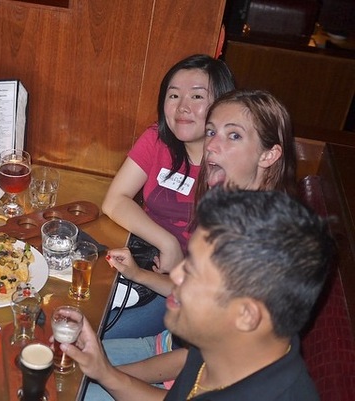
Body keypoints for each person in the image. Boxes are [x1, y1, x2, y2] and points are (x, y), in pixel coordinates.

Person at [88, 89, 300, 400]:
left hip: (182, 380)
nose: (212, 145)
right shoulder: (231, 214)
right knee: (56, 361)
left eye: (234, 136)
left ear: (269, 155)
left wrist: (107, 376)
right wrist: (140, 275)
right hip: (165, 347)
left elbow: (195, 367)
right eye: (212, 132)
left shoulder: (267, 254)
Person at [65, 188, 334, 401]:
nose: (176, 275)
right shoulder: (235, 345)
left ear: (246, 314)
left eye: (193, 270)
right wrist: (105, 373)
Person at [101, 54, 235, 338]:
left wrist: (176, 261)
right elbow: (115, 200)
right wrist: (167, 242)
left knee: (95, 332)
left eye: (197, 96)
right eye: (174, 95)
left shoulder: (234, 167)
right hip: (139, 254)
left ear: (223, 104)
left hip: (182, 289)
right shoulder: (157, 139)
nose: (183, 107)